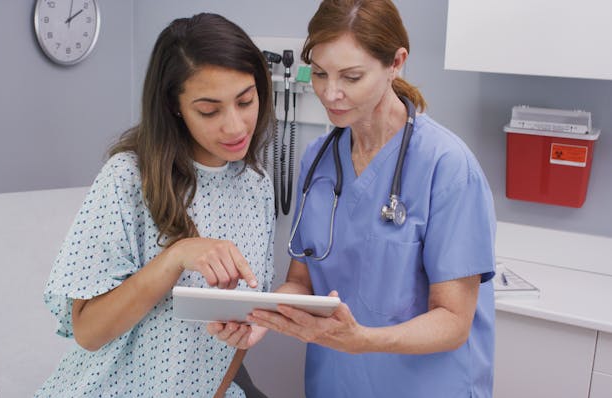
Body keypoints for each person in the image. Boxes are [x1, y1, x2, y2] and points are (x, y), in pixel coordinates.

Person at [208, 1, 497, 397]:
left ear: (396, 63)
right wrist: (260, 319)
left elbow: (453, 321)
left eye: (352, 76)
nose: (330, 92)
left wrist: (363, 340)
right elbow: (301, 281)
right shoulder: (318, 160)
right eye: (321, 73)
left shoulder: (447, 167)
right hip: (336, 384)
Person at [35, 13, 275, 397]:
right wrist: (175, 256)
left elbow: (244, 322)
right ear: (174, 106)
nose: (235, 126)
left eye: (245, 101)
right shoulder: (128, 179)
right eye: (210, 110)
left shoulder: (256, 187)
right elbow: (88, 332)